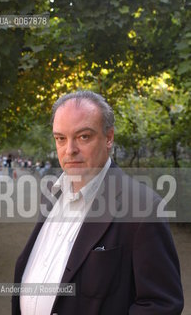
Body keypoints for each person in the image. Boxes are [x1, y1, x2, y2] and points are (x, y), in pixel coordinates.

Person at [12, 90, 184, 315]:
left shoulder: (143, 208)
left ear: (109, 138)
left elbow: (162, 305)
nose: (69, 150)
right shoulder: (51, 194)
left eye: (83, 136)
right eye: (60, 138)